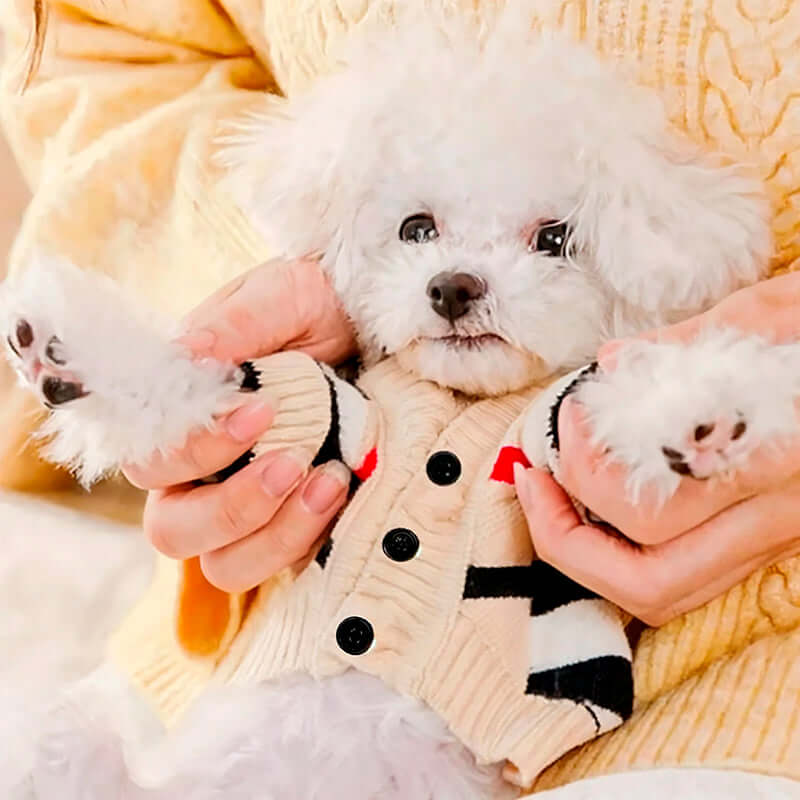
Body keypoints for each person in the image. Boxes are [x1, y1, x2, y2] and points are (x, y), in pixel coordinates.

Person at [1, 0, 799, 794]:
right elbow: (223, 399)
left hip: (730, 689)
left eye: (549, 243)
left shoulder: (573, 412)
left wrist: (733, 393)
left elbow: (628, 419)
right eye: (419, 230)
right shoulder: (359, 403)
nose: (456, 281)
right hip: (229, 684)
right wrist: (178, 344)